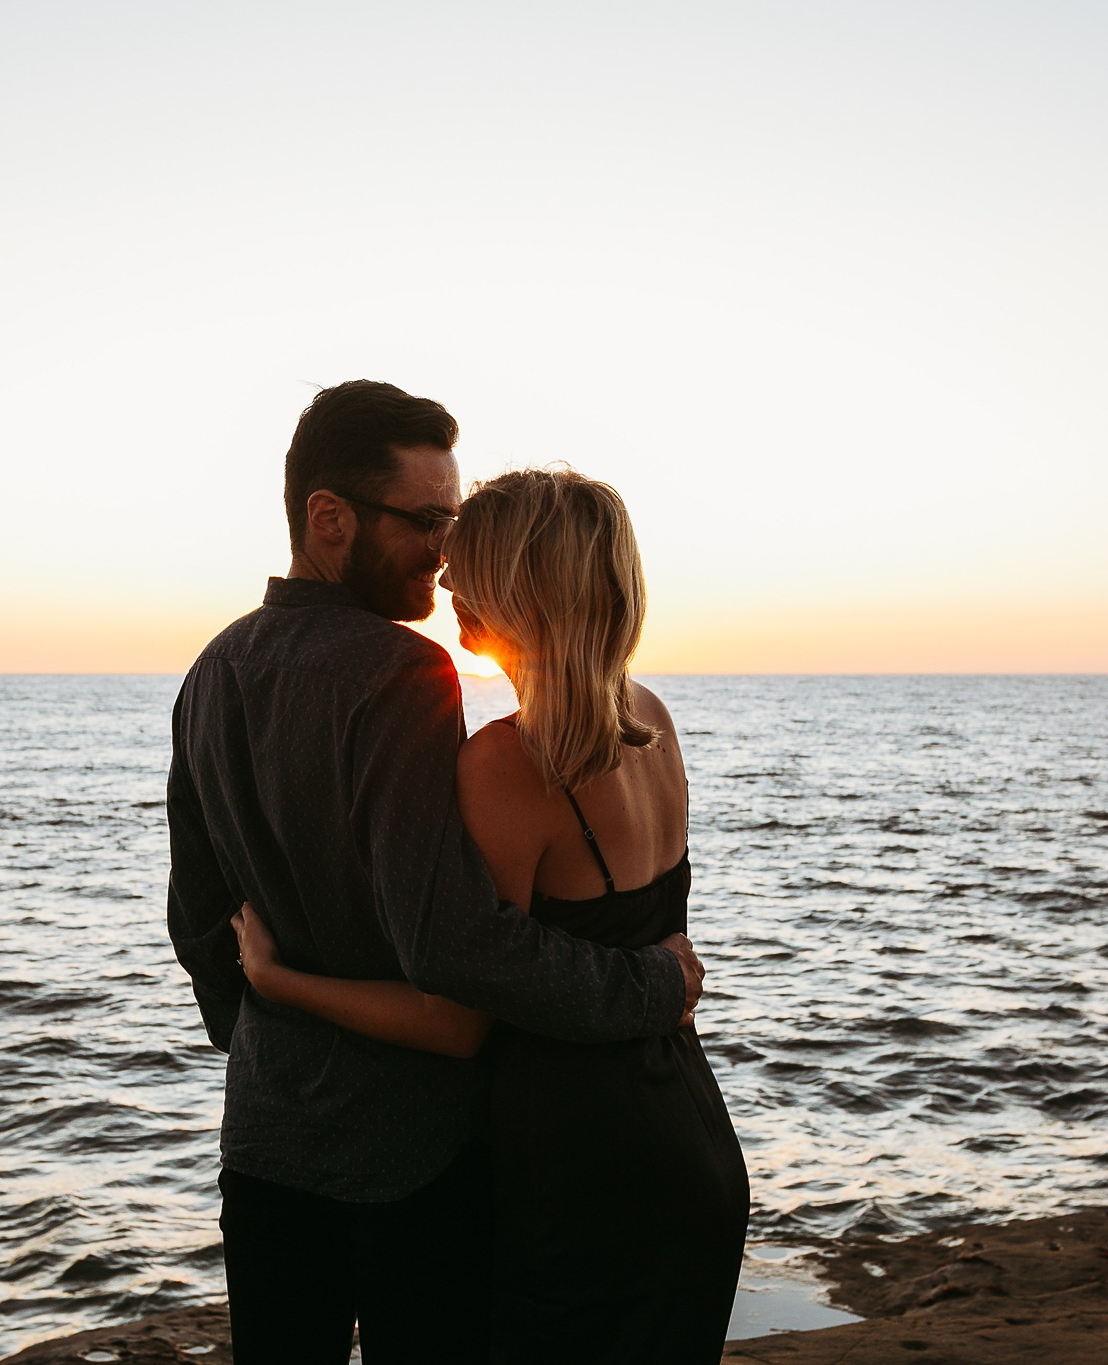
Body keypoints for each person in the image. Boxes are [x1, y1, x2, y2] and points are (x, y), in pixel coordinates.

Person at [165, 382, 705, 1365]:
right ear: (329, 520)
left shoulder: (211, 668)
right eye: (426, 523)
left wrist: (268, 1040)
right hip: (414, 1154)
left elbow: (199, 920)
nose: (445, 553)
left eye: (455, 526)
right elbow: (457, 954)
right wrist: (653, 982)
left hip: (266, 1139)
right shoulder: (406, 674)